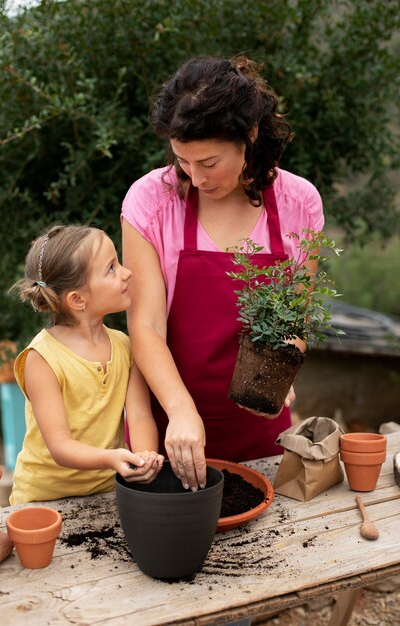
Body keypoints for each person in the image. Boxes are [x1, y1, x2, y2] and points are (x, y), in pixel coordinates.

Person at [121, 55, 324, 492]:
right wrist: (180, 410)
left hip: (260, 427)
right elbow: (145, 325)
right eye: (182, 161)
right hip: (169, 430)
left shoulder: (298, 202)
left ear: (249, 136)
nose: (194, 178)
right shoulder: (150, 202)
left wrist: (281, 370)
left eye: (208, 162)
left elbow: (294, 316)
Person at [9, 224, 164, 505]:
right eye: (111, 268)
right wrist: (112, 458)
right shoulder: (41, 358)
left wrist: (145, 456)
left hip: (106, 494)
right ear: (78, 299)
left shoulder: (125, 346)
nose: (126, 272)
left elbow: (140, 415)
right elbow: (60, 446)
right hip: (42, 500)